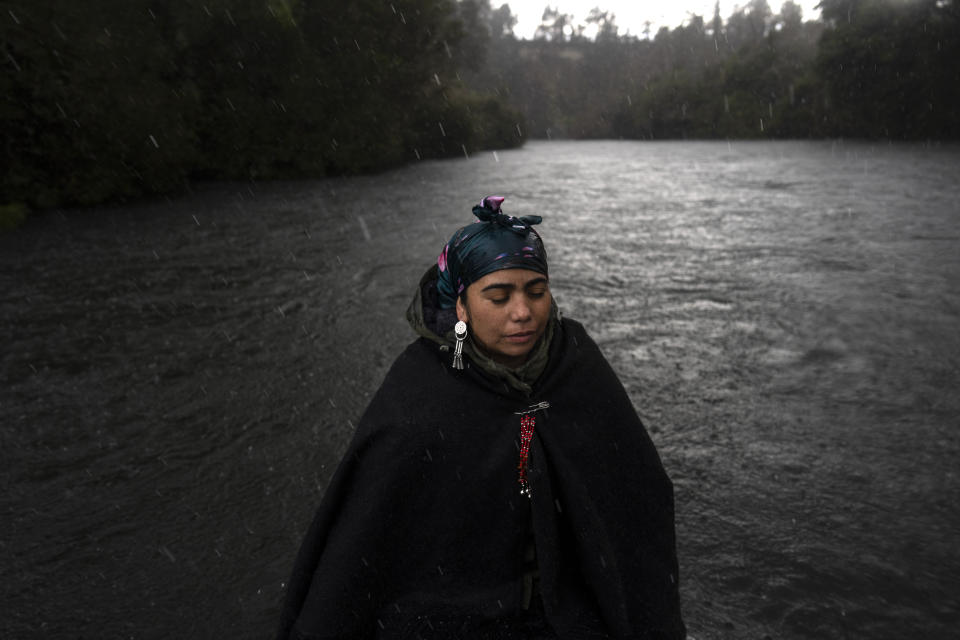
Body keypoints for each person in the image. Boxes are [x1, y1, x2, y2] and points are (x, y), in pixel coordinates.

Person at [277, 197, 685, 639]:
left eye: (536, 291)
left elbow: (638, 497)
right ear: (461, 307)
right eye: (498, 295)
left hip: (571, 609)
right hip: (454, 620)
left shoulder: (576, 363)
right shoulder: (422, 392)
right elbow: (363, 540)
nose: (523, 312)